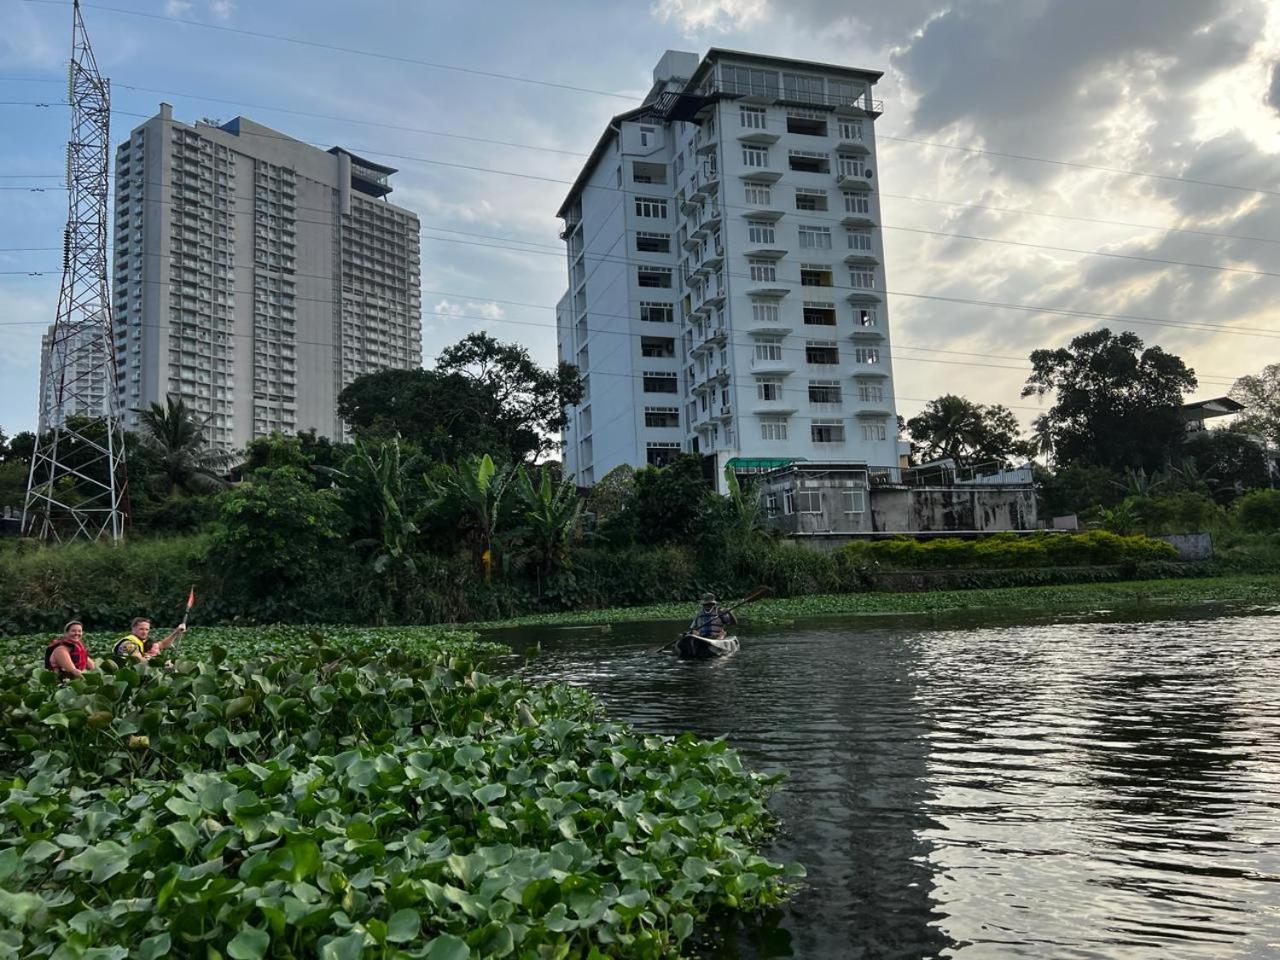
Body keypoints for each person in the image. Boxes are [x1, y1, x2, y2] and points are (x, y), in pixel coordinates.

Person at [114, 616, 186, 663]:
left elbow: (162, 644)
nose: (144, 632)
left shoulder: (141, 640)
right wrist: (163, 662)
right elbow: (141, 662)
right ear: (133, 629)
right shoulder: (128, 644)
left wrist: (176, 632)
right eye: (141, 629)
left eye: (147, 629)